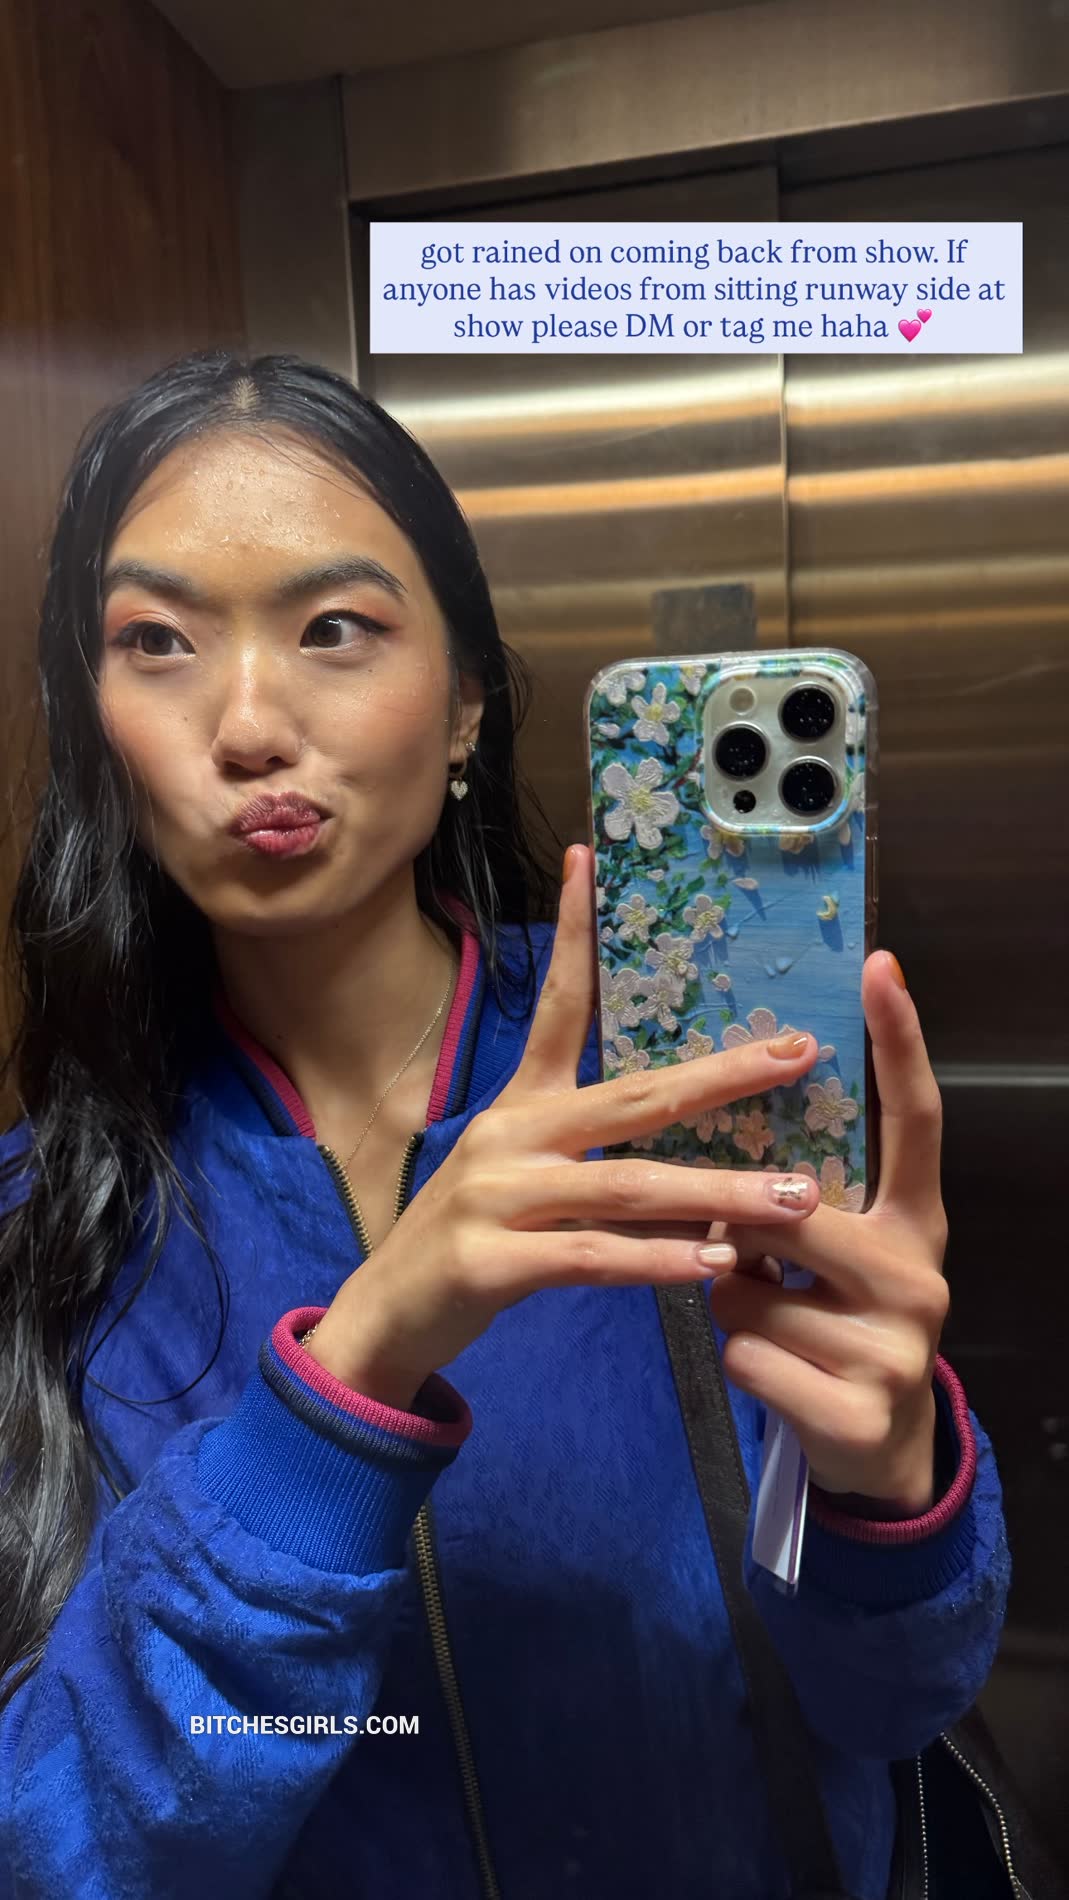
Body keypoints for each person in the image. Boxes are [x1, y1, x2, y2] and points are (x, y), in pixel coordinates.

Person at [0, 350, 1009, 1900]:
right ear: (93, 715)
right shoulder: (43, 1224)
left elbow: (890, 1706)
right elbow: (66, 1846)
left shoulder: (695, 1094)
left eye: (335, 628)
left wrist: (890, 1497)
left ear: (465, 700)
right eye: (158, 641)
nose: (248, 723)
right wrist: (341, 1394)